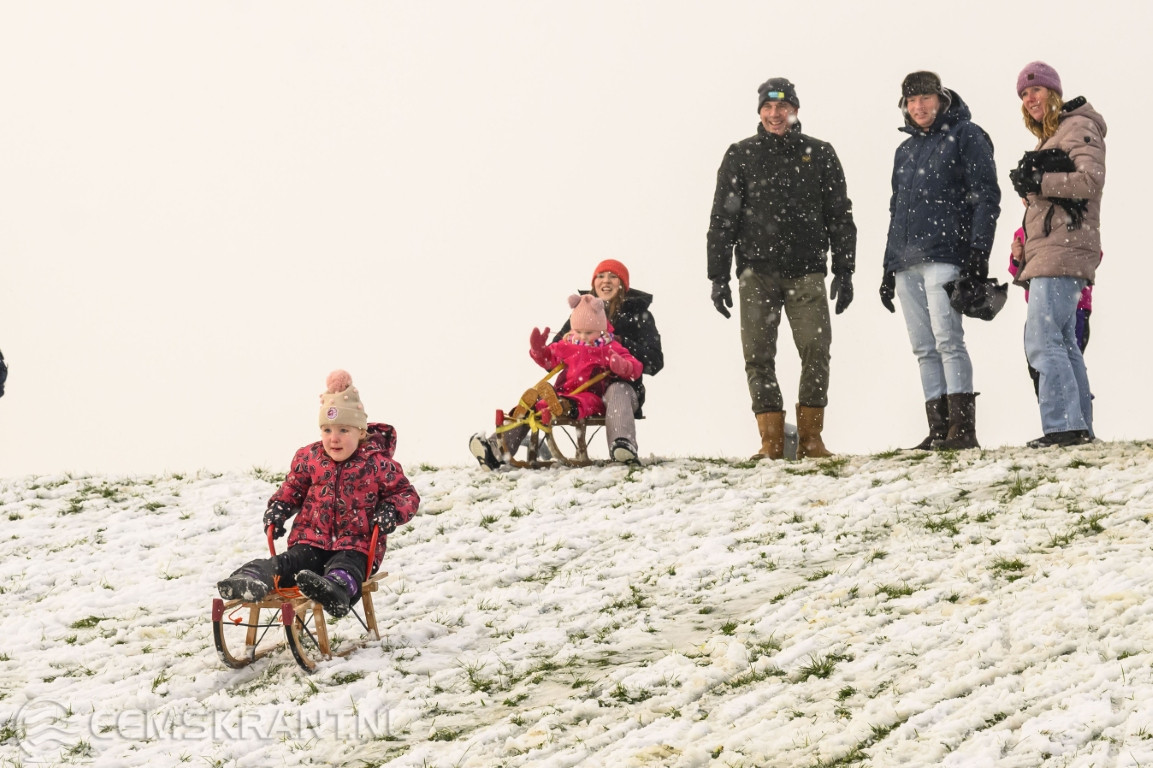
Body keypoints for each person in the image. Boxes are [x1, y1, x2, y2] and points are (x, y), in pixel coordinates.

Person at [707, 77, 856, 460]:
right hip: (756, 272)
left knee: (816, 349)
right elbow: (722, 220)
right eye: (768, 107)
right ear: (760, 111)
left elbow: (840, 215)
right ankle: (771, 442)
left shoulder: (819, 154)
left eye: (783, 106)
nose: (775, 114)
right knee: (757, 355)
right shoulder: (740, 155)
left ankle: (811, 439)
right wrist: (718, 276)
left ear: (795, 110)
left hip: (806, 271)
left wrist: (845, 269)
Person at [217, 370, 420, 618]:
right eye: (327, 430)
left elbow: (406, 494)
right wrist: (279, 509)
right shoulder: (310, 458)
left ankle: (336, 588)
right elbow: (292, 489)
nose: (334, 439)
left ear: (361, 432)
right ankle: (251, 578)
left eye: (344, 430)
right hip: (309, 541)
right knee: (288, 563)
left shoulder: (376, 464)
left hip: (356, 545)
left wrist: (391, 510)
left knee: (346, 566)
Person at [880, 71, 1000, 451]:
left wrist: (979, 252)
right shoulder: (905, 151)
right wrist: (888, 267)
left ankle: (962, 431)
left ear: (941, 99)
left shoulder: (967, 135)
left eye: (925, 98)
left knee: (948, 339)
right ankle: (939, 430)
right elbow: (896, 210)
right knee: (923, 346)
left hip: (946, 254)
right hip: (906, 262)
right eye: (911, 101)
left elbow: (986, 196)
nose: (918, 107)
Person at [1008, 61, 1105, 448]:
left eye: (1036, 90)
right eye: (1024, 94)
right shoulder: (1054, 135)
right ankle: (1078, 427)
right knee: (1062, 341)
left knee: (1043, 338)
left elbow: (1090, 181)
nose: (1030, 98)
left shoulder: (1078, 126)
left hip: (1064, 249)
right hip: (1054, 248)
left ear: (1054, 92)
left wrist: (1039, 181)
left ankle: (1063, 427)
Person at [470, 291, 644, 467]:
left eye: (589, 332)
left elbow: (635, 367)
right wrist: (538, 350)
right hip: (562, 392)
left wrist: (622, 366)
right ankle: (494, 448)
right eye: (579, 331)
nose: (583, 337)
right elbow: (549, 358)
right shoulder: (566, 345)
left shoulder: (609, 347)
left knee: (578, 402)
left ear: (601, 330)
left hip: (592, 396)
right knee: (532, 409)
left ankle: (616, 442)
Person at [547, 259, 663, 462]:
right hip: (581, 389)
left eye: (613, 276)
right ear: (594, 283)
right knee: (541, 397)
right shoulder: (583, 311)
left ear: (622, 284)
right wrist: (560, 344)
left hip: (623, 388)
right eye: (600, 276)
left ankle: (622, 446)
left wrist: (622, 343)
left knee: (617, 390)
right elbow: (556, 354)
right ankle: (499, 444)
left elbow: (655, 361)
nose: (606, 281)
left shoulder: (638, 315)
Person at [1008, 226, 1099, 397]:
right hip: (1038, 307)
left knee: (1066, 363)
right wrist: (1017, 258)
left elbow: (1095, 255)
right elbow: (1016, 273)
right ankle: (1057, 416)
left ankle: (1074, 413)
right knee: (1038, 367)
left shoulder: (1070, 219)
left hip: (1074, 306)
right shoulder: (1024, 230)